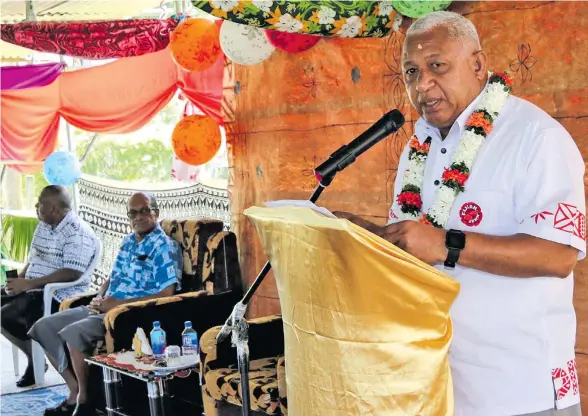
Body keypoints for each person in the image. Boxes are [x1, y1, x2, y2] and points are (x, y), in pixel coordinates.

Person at [335, 11, 584, 416]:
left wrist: (445, 245)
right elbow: (416, 243)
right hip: (441, 385)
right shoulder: (420, 143)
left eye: (437, 66)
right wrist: (369, 237)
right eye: (411, 72)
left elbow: (558, 256)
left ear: (478, 64)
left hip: (521, 387)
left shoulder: (535, 137)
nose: (422, 85)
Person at [29, 192, 183, 416]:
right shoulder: (128, 242)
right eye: (133, 213)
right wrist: (99, 296)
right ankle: (74, 391)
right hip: (104, 306)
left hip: (128, 314)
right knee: (43, 327)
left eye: (144, 211)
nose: (138, 217)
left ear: (156, 213)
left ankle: (84, 401)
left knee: (72, 333)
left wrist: (116, 304)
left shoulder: (164, 246)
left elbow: (167, 293)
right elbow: (112, 277)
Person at [1, 185, 98, 388]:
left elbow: (73, 272)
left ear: (54, 208)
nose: (36, 206)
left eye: (40, 203)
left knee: (5, 315)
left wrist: (29, 284)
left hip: (57, 293)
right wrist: (19, 279)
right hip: (33, 287)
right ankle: (34, 357)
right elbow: (36, 258)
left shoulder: (76, 232)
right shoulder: (45, 224)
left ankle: (35, 362)